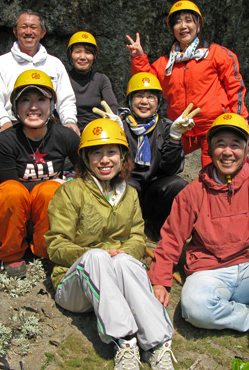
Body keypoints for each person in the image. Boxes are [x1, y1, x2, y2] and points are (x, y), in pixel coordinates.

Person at [148, 113, 249, 370]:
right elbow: (172, 238)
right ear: (210, 149)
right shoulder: (194, 192)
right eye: (220, 143)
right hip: (209, 272)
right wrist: (159, 280)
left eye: (235, 144)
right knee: (193, 308)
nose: (227, 151)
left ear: (247, 148)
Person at [45, 118, 176, 370]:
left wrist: (121, 254)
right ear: (86, 158)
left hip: (115, 280)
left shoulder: (130, 194)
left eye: (112, 152)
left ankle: (158, 345)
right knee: (96, 257)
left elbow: (138, 237)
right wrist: (103, 253)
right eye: (97, 153)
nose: (105, 160)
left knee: (127, 260)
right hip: (74, 287)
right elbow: (55, 245)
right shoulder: (71, 192)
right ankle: (125, 342)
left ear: (123, 155)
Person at [126, 0, 249, 166]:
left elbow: (236, 90)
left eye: (188, 20)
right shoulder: (166, 63)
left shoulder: (217, 54)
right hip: (180, 128)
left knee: (214, 172)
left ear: (198, 25)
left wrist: (239, 124)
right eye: (177, 22)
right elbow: (146, 81)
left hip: (213, 127)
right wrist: (139, 57)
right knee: (158, 162)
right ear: (172, 29)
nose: (183, 26)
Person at [0, 69, 79, 278]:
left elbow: (86, 174)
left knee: (52, 191)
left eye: (41, 99)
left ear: (52, 105)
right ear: (16, 107)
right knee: (11, 192)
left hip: (50, 214)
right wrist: (54, 182)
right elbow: (12, 191)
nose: (33, 107)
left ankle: (47, 250)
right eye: (25, 100)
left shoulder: (66, 137)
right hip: (20, 215)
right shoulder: (5, 140)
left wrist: (66, 184)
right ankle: (11, 253)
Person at [97, 72, 193, 239]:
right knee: (126, 184)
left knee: (178, 184)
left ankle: (157, 227)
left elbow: (171, 169)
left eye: (150, 97)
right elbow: (112, 165)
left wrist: (175, 137)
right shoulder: (119, 122)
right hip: (128, 184)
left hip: (154, 189)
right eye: (139, 96)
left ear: (158, 102)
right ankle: (123, 231)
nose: (144, 102)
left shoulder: (167, 127)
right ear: (129, 100)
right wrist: (116, 135)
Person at [0, 9, 79, 135]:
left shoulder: (55, 64)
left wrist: (69, 121)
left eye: (34, 27)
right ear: (15, 31)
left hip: (48, 127)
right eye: (23, 27)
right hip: (11, 127)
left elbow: (66, 99)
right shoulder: (1, 63)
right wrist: (4, 122)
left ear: (43, 32)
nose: (28, 32)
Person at [66, 31, 119, 131]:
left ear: (94, 56)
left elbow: (112, 106)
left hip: (96, 129)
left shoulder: (101, 80)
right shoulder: (64, 78)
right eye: (78, 51)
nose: (82, 57)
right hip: (70, 129)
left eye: (88, 52)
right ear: (70, 55)